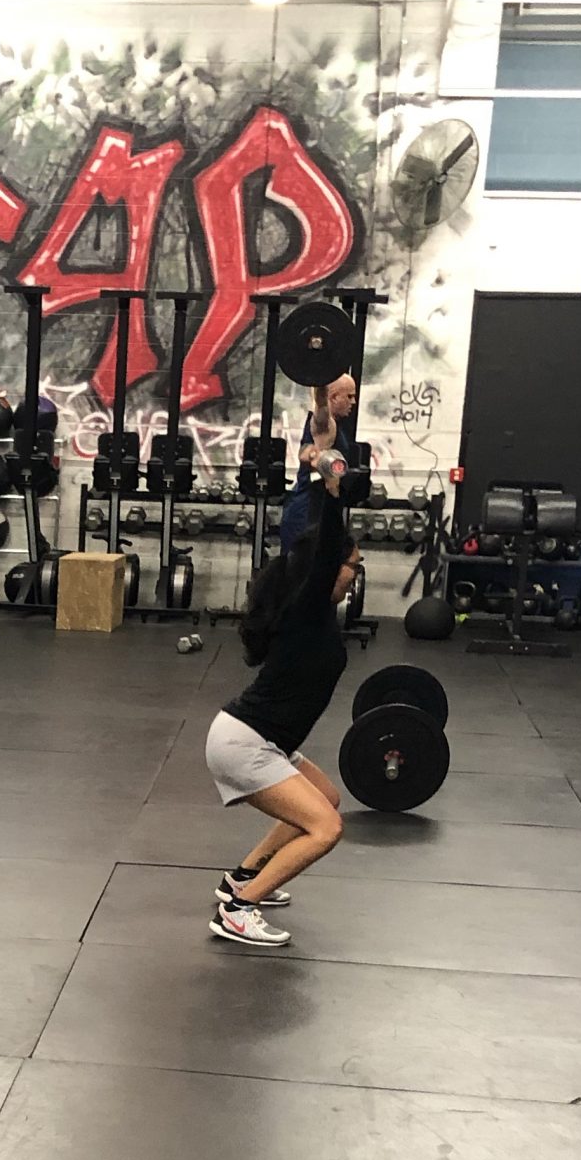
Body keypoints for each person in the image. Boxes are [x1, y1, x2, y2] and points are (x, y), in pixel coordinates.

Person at [205, 404, 357, 950]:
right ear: (330, 569)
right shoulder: (309, 606)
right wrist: (331, 489)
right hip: (244, 744)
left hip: (262, 739)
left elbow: (311, 538)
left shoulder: (311, 608)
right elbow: (323, 544)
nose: (355, 575)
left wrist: (321, 459)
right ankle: (239, 911)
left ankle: (243, 878)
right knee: (327, 829)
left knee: (326, 799)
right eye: (353, 566)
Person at [278, 370, 359, 553]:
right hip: (309, 513)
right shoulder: (324, 424)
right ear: (334, 397)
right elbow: (321, 405)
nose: (353, 402)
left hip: (321, 510)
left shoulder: (334, 426)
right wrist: (321, 374)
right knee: (301, 568)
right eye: (349, 396)